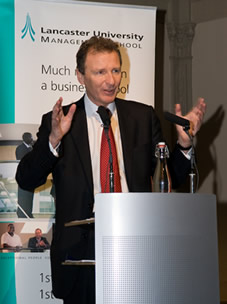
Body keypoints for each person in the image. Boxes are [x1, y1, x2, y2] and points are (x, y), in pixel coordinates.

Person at [16, 36, 206, 304]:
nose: (111, 80)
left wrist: (184, 145)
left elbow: (169, 181)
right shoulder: (59, 121)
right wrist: (53, 141)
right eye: (100, 72)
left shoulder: (142, 117)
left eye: (115, 70)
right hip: (80, 255)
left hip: (136, 248)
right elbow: (26, 179)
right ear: (80, 76)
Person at [16, 132, 34, 218]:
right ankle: (21, 213)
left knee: (30, 196)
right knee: (22, 196)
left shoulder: (32, 149)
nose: (32, 139)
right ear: (25, 138)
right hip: (23, 177)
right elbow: (22, 161)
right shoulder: (20, 148)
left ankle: (29, 213)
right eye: (31, 137)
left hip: (31, 177)